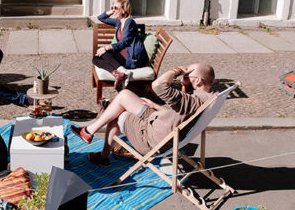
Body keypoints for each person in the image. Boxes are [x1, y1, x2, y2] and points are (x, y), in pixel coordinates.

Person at [70, 63, 216, 166]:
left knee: (118, 111)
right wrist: (155, 106)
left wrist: (176, 70)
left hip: (151, 137)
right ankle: (90, 134)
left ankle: (99, 148)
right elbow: (179, 117)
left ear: (197, 81)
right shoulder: (207, 98)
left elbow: (158, 85)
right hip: (159, 122)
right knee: (124, 95)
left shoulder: (192, 101)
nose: (182, 79)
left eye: (186, 76)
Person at [92, 0, 148, 90]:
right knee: (95, 59)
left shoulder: (129, 22)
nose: (114, 10)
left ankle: (123, 72)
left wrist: (106, 47)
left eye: (116, 8)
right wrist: (112, 10)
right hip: (122, 55)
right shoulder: (119, 22)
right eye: (112, 7)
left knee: (104, 53)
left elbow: (125, 42)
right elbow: (100, 18)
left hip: (130, 58)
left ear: (124, 10)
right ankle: (121, 73)